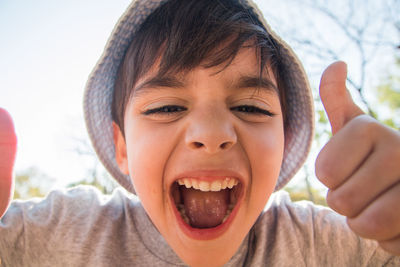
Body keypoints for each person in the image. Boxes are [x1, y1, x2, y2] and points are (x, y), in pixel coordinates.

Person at [1, 0, 399, 266]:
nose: (211, 135)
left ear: (285, 140)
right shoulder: (56, 234)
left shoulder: (333, 244)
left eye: (250, 108)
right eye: (166, 107)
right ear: (121, 147)